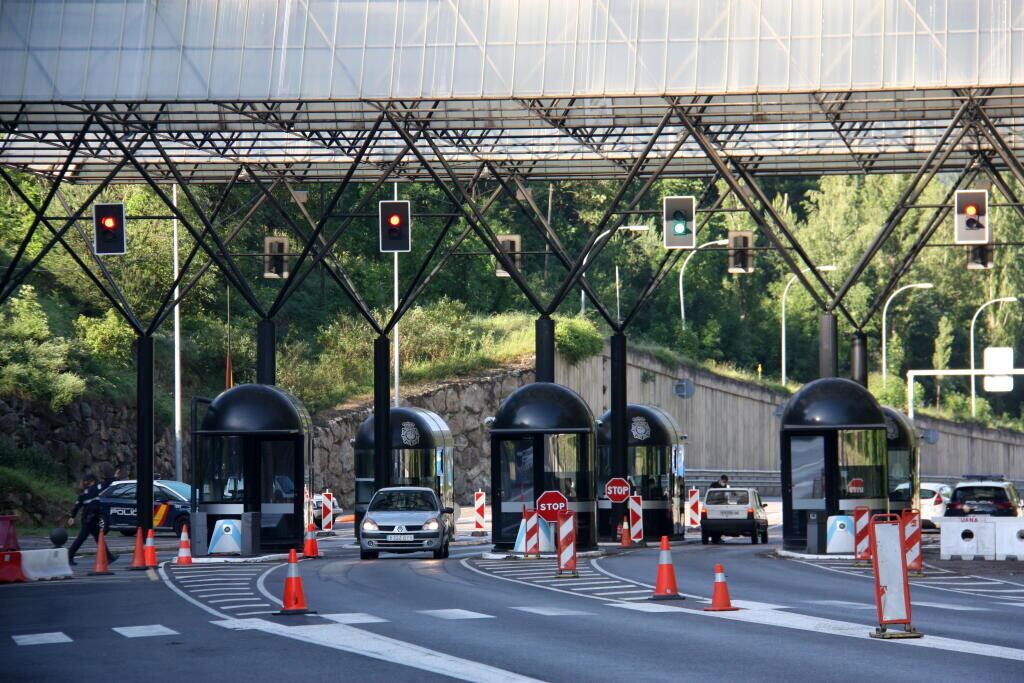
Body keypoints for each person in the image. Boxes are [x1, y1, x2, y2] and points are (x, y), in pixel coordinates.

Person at [67, 473, 118, 566]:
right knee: (82, 538)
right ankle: (69, 556)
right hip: (90, 519)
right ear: (93, 481)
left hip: (90, 518)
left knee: (98, 539)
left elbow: (77, 505)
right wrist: (114, 477)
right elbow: (106, 484)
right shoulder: (95, 488)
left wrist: (72, 517)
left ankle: (109, 557)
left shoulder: (83, 492)